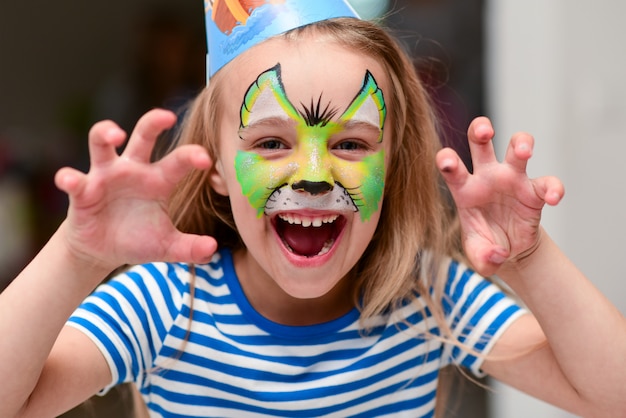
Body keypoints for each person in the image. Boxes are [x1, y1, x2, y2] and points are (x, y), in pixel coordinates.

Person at [1, 1, 626, 417]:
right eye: (271, 143)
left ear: (392, 164)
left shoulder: (429, 297)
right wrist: (77, 256)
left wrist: (530, 259)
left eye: (351, 144)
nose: (314, 176)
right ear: (214, 166)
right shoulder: (167, 303)